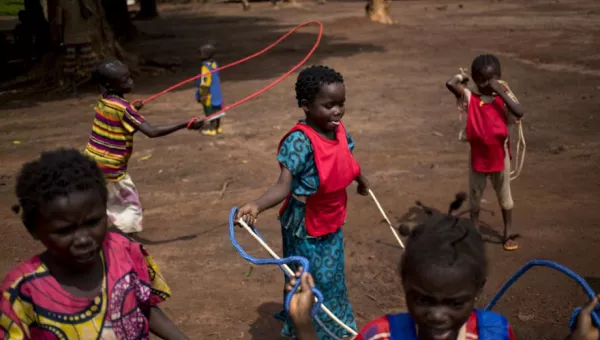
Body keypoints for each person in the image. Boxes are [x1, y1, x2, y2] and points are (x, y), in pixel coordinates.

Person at [286, 195, 600, 340]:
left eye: (454, 302)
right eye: (423, 299)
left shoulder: (497, 334)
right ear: (405, 285)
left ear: (478, 289)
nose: (437, 315)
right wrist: (303, 324)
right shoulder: (378, 337)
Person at [236, 65, 370, 339]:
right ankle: (304, 327)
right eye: (329, 105)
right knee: (309, 278)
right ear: (306, 106)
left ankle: (336, 323)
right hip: (305, 224)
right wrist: (256, 205)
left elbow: (345, 159)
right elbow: (283, 186)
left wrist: (360, 179)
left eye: (341, 104)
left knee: (332, 276)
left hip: (331, 216)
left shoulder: (338, 129)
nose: (337, 111)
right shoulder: (299, 142)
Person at [0, 149, 188, 339]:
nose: (83, 239)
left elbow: (142, 305)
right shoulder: (21, 292)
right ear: (33, 229)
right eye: (65, 231)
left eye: (93, 222)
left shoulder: (124, 251)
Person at [84, 60, 205, 235]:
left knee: (102, 195)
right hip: (112, 165)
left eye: (129, 77)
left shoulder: (105, 101)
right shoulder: (125, 110)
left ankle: (95, 224)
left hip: (92, 160)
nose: (130, 81)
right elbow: (152, 131)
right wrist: (186, 124)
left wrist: (133, 108)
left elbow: (117, 117)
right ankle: (126, 237)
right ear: (110, 84)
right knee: (129, 204)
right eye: (125, 79)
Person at [445, 54, 524, 251]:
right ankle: (474, 233)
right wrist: (463, 77)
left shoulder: (505, 100)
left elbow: (519, 111)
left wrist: (500, 89)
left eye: (493, 79)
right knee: (475, 197)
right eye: (483, 80)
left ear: (499, 77)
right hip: (478, 159)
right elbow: (450, 83)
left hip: (500, 157)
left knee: (505, 196)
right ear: (476, 80)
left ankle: (507, 232)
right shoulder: (471, 98)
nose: (488, 84)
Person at [54, 0, 97, 93]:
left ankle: (94, 85)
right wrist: (61, 40)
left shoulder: (84, 2)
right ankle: (72, 87)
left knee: (89, 63)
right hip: (69, 37)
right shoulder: (62, 2)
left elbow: (88, 15)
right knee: (70, 65)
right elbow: (59, 23)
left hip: (84, 36)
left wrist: (81, 2)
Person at [195, 44, 224, 136]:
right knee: (217, 110)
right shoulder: (215, 64)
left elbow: (205, 82)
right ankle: (218, 127)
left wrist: (202, 94)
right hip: (216, 91)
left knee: (210, 111)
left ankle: (212, 129)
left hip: (209, 93)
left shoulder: (205, 67)